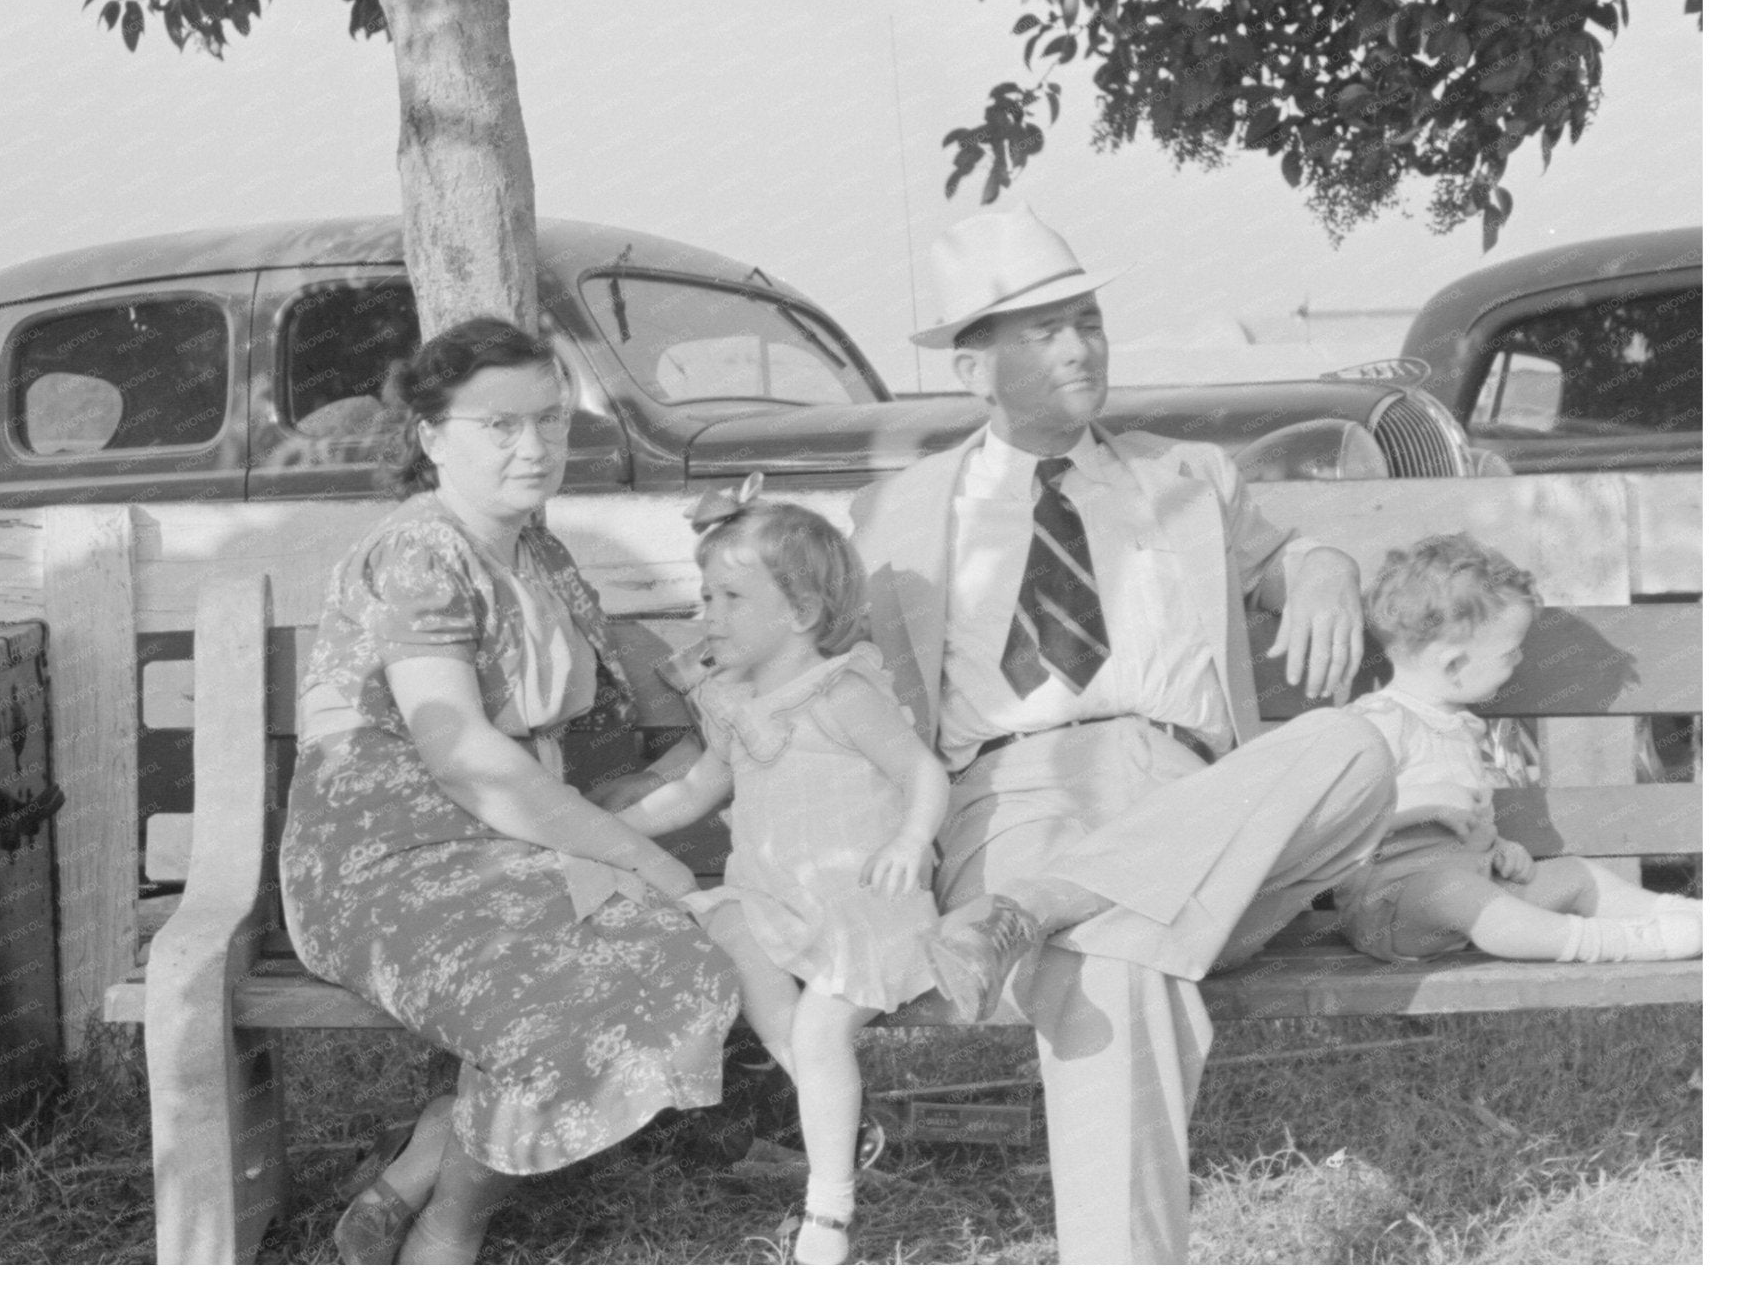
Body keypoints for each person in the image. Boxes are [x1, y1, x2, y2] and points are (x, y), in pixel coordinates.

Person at [846, 203, 1398, 1263]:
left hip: (1195, 800)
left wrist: (1322, 563)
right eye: (1043, 330)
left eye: (1088, 320)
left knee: (1355, 747)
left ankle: (1035, 914)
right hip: (1009, 802)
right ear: (972, 369)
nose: (1079, 346)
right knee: (1114, 964)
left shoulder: (1185, 476)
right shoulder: (897, 515)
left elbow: (1285, 562)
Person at [277, 317, 739, 1265]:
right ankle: (456, 1214)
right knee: (616, 962)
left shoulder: (543, 555)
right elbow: (460, 754)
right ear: (431, 434)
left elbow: (598, 725)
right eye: (499, 425)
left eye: (550, 420)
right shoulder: (418, 553)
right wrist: (649, 856)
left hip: (509, 849)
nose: (534, 447)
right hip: (386, 861)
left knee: (686, 942)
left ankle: (441, 1162)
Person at [618, 480, 1024, 1264]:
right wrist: (607, 828)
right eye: (705, 595)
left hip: (864, 901)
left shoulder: (842, 692)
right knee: (732, 931)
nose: (709, 614)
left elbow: (922, 771)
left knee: (821, 1021)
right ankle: (832, 1105)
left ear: (801, 613)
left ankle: (828, 1211)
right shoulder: (735, 702)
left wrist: (911, 838)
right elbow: (697, 790)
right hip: (778, 897)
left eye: (732, 597)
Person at [1337, 533, 1703, 964]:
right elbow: (1339, 824)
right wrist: (1421, 809)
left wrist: (1498, 850)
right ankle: (1618, 943)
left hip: (1476, 892)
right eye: (1511, 652)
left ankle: (1695, 918)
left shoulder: (1460, 729)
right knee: (1454, 894)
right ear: (1453, 664)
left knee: (1576, 874)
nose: (1519, 662)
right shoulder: (1377, 722)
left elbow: (1470, 830)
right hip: (1394, 909)